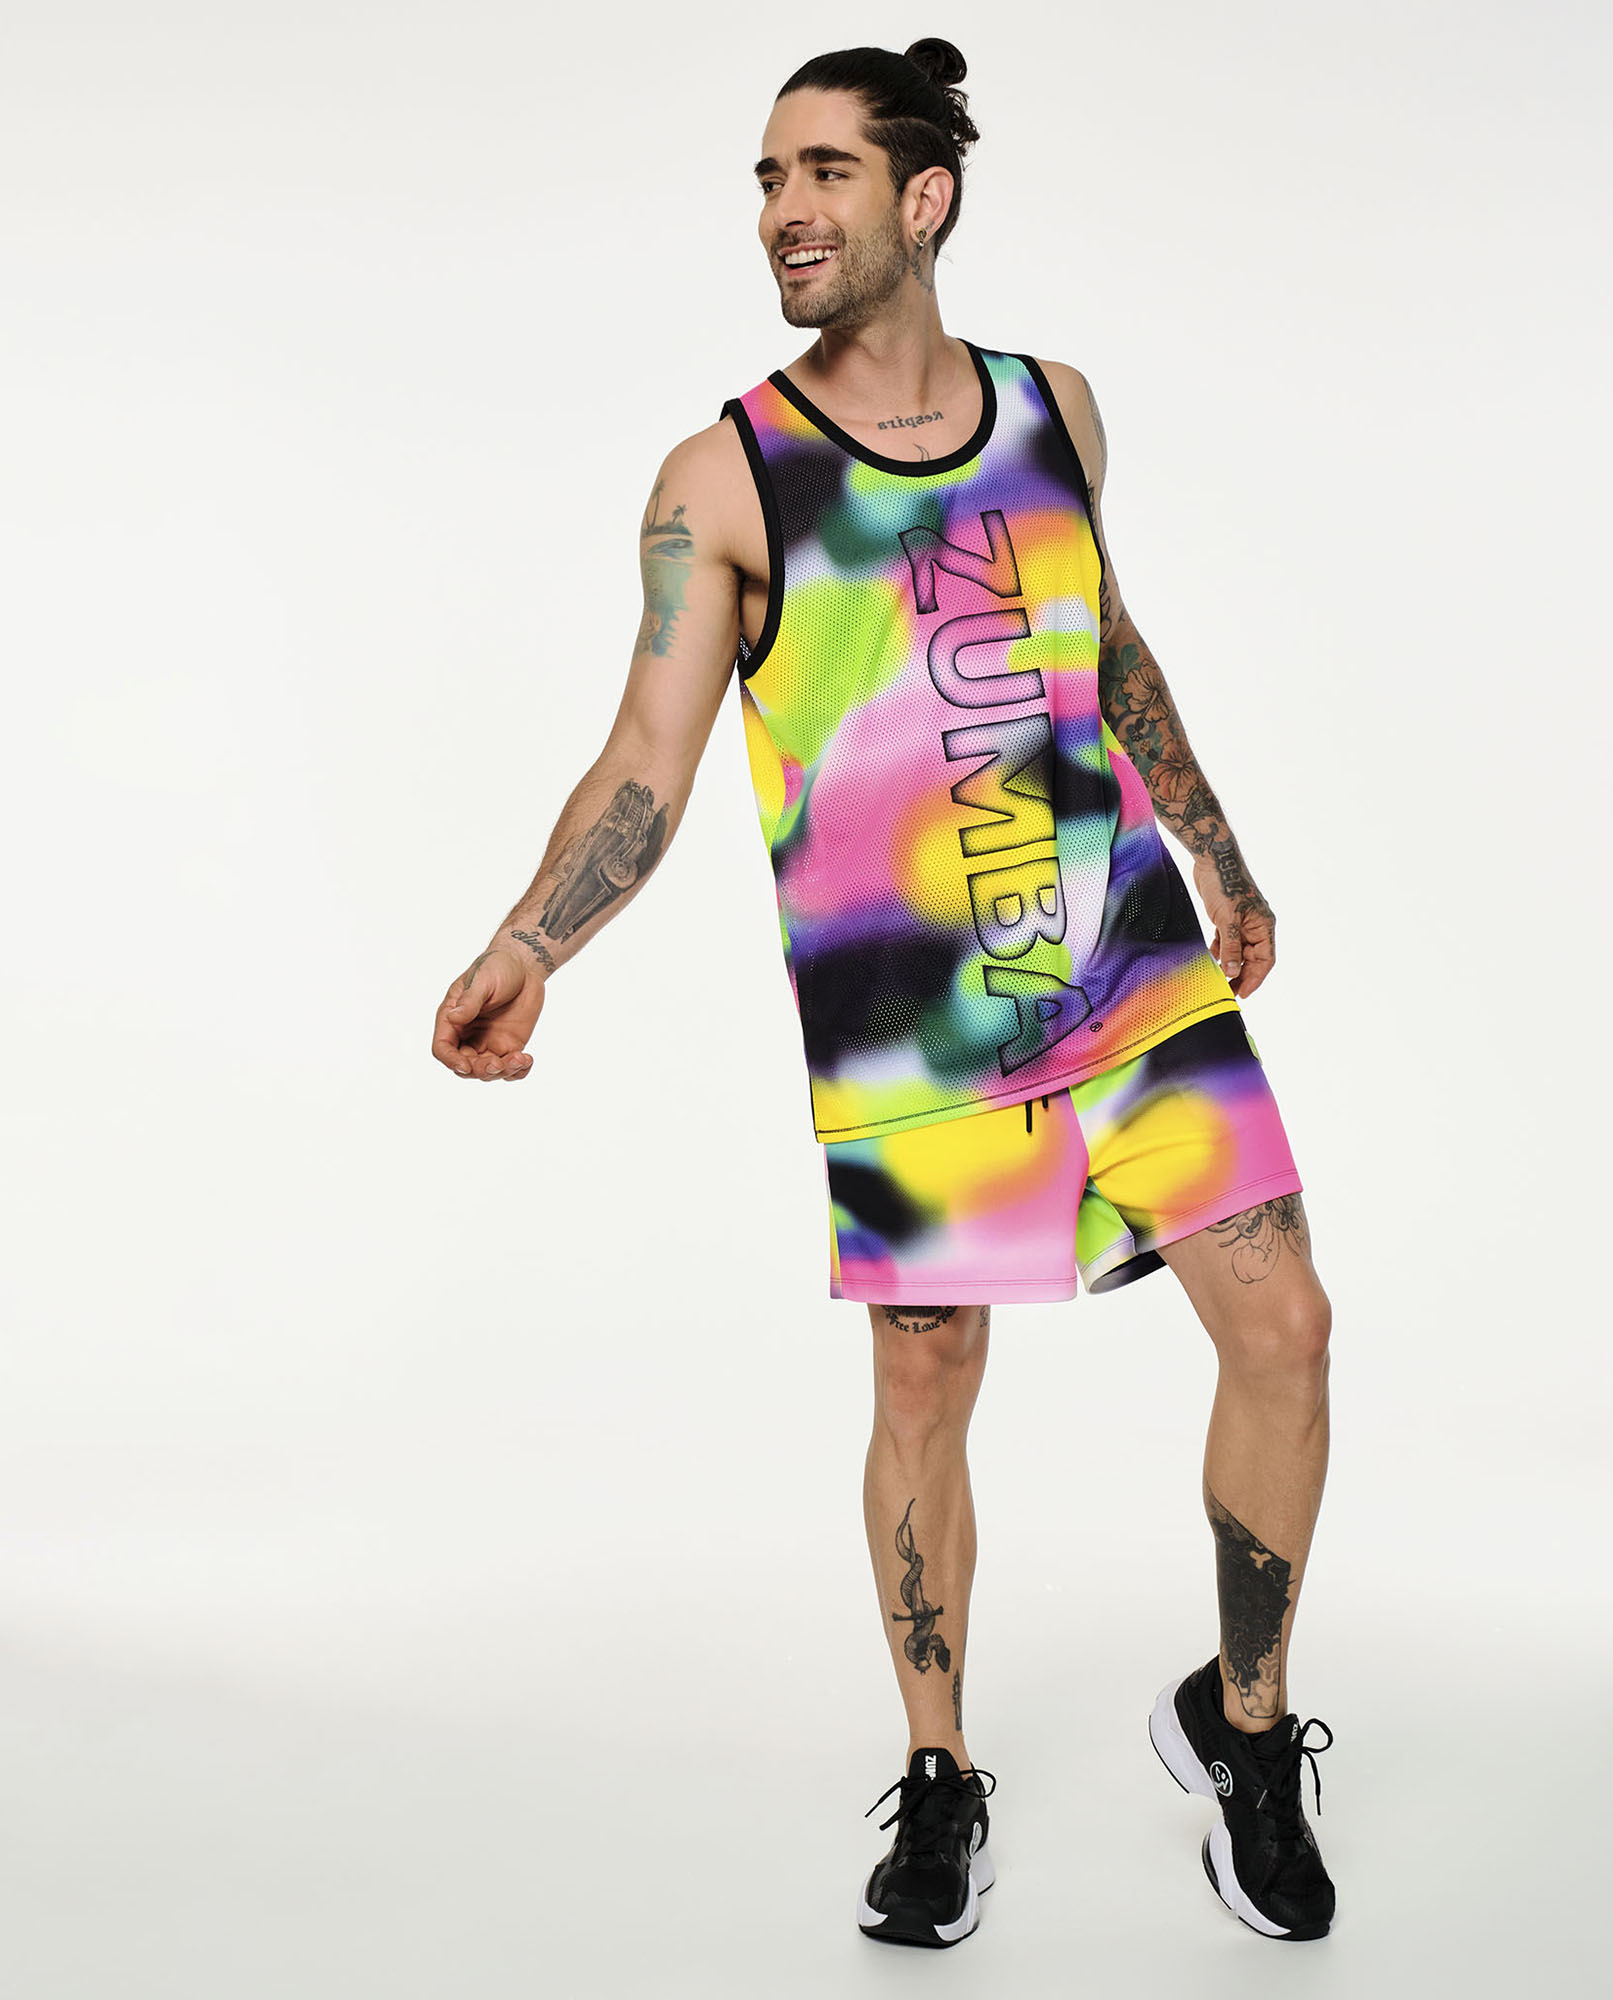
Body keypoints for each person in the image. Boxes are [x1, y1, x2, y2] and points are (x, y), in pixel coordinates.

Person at [429, 37, 1335, 1948]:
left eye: (823, 172)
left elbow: (1109, 642)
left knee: (1287, 1326)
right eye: (767, 180)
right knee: (928, 1382)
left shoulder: (1055, 409)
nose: (784, 212)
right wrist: (530, 940)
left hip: (1129, 967)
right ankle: (939, 1773)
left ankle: (1244, 1732)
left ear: (926, 198)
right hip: (913, 1029)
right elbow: (646, 763)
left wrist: (1219, 849)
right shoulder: (726, 478)